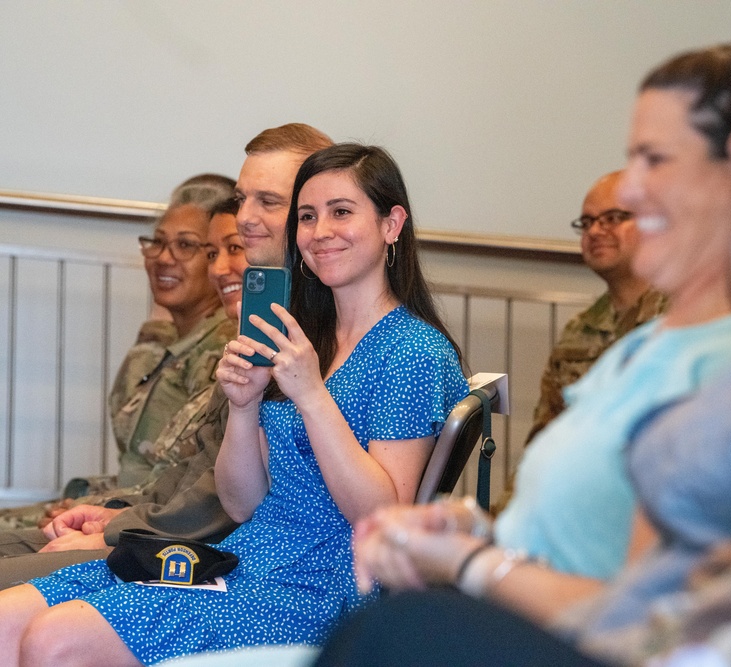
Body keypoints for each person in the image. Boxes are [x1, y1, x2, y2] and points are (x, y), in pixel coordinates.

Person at [318, 0, 731, 664]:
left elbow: (712, 606)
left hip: (634, 638)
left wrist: (474, 562)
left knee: (391, 633)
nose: (627, 195)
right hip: (631, 627)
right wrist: (474, 537)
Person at [0, 143, 469, 665]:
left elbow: (383, 515)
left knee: (53, 640)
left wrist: (313, 396)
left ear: (391, 223)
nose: (319, 232)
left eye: (342, 212)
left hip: (324, 586)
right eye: (308, 217)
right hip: (244, 556)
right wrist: (243, 410)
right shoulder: (305, 335)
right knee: (5, 622)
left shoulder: (413, 351)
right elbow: (245, 503)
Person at [0, 123, 333, 586]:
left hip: (207, 557)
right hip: (162, 528)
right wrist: (116, 514)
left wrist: (116, 531)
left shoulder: (308, 339)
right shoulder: (267, 316)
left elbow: (225, 508)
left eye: (269, 201)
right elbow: (193, 468)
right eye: (242, 199)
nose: (246, 217)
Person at [0, 175, 236, 532]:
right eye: (156, 243)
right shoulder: (157, 344)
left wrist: (95, 505)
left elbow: (177, 479)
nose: (163, 258)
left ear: (214, 256)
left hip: (144, 519)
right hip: (116, 501)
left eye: (185, 245)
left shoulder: (224, 350)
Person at [525, 170, 667, 444]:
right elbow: (544, 440)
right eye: (587, 222)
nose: (595, 231)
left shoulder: (683, 316)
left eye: (612, 218)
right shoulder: (578, 331)